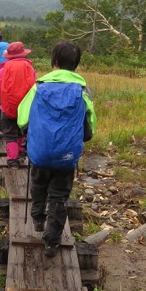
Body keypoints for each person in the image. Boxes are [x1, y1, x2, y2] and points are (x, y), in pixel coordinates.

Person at [17, 41, 96, 257]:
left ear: (54, 62)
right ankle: (51, 242)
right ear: (76, 64)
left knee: (39, 183)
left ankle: (37, 218)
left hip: (40, 151)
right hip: (66, 154)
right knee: (59, 196)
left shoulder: (38, 86)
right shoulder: (82, 90)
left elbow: (22, 119)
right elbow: (89, 129)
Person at [0, 42, 36, 168]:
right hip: (26, 109)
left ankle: (12, 162)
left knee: (10, 135)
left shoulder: (3, 69)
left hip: (8, 108)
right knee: (22, 132)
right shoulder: (30, 68)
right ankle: (22, 154)